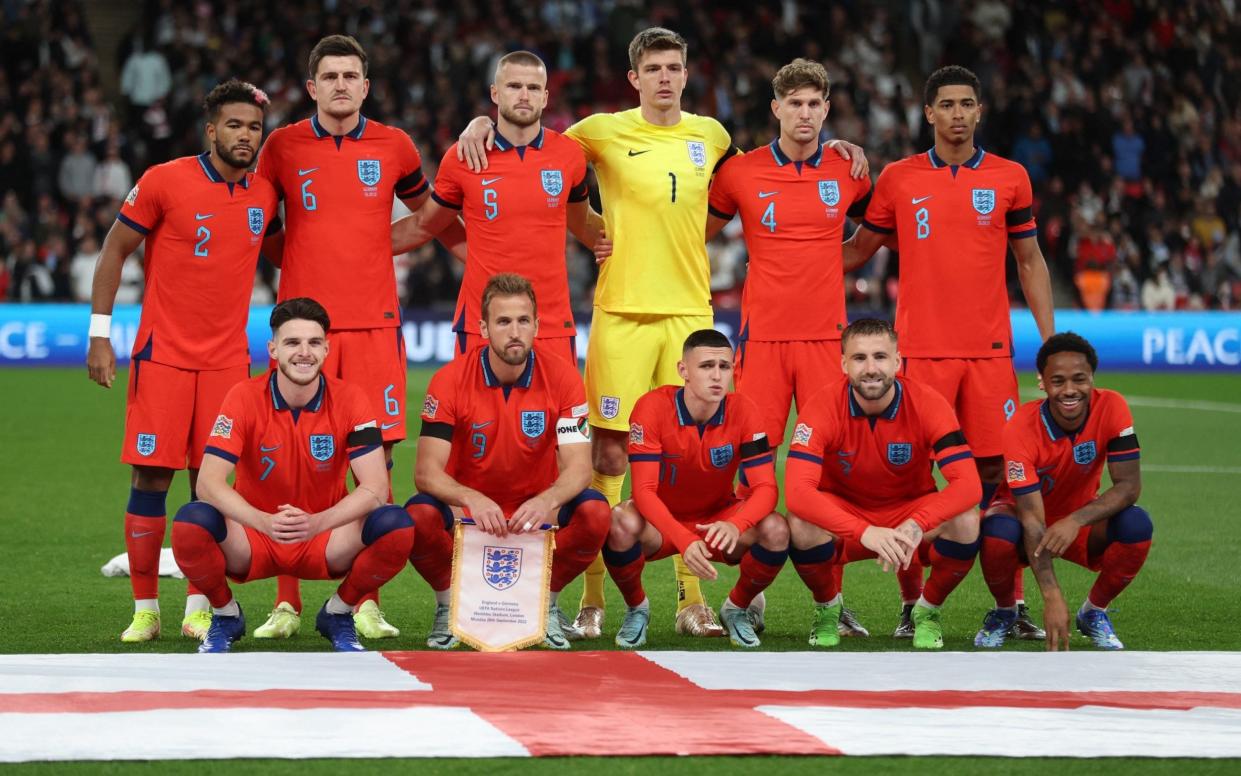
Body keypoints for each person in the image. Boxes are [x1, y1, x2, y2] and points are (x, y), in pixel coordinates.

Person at [458, 28, 866, 639]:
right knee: (609, 454)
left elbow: (769, 168)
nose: (666, 77)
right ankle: (594, 600)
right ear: (635, 78)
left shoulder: (712, 135)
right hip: (621, 312)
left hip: (689, 316)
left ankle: (689, 598)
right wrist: (477, 125)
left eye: (675, 67)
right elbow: (534, 142)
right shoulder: (599, 131)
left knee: (690, 453)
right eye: (654, 68)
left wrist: (830, 142)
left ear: (685, 74)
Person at [254, 34, 463, 639]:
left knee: (378, 461)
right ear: (312, 87)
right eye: (330, 76)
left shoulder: (394, 145)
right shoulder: (282, 146)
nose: (342, 85)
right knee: (290, 461)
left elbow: (432, 213)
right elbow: (260, 227)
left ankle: (364, 598)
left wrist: (386, 245)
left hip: (374, 325)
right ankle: (287, 601)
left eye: (352, 76)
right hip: (303, 326)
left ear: (365, 87)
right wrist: (298, 259)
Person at [844, 65, 1055, 640]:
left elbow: (1029, 261)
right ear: (928, 113)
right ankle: (913, 603)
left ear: (979, 112)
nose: (958, 114)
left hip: (988, 355)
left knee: (997, 479)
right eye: (947, 105)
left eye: (967, 104)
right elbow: (857, 251)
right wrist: (784, 257)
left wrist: (1049, 338)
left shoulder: (1010, 177)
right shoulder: (898, 178)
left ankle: (1008, 607)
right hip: (921, 353)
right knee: (913, 478)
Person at [86, 79, 280, 643]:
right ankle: (145, 609)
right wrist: (100, 336)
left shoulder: (264, 196)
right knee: (150, 477)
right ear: (211, 129)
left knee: (210, 485)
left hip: (225, 367)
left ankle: (199, 604)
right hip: (163, 359)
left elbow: (286, 251)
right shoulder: (164, 180)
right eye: (235, 125)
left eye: (254, 128)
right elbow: (113, 251)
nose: (245, 136)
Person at [706, 57, 874, 640]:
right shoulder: (739, 175)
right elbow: (688, 233)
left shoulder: (849, 171)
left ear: (827, 110)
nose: (805, 114)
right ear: (775, 109)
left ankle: (834, 601)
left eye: (814, 104)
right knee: (754, 474)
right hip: (764, 344)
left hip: (829, 343)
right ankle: (749, 595)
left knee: (829, 477)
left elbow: (870, 236)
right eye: (794, 104)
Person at [171, 298, 414, 653]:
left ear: (327, 348)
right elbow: (208, 482)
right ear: (273, 348)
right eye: (292, 343)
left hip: (325, 536)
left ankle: (339, 612)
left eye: (314, 343)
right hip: (255, 536)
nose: (304, 353)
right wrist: (263, 522)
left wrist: (318, 523)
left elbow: (376, 486)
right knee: (190, 522)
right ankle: (225, 615)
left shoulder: (351, 399)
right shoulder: (243, 396)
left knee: (398, 525)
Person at [404, 273, 610, 649]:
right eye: (503, 321)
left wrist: (547, 500)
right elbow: (425, 472)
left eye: (522, 321)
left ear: (536, 325)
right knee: (416, 517)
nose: (514, 331)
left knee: (596, 513)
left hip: (535, 513)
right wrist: (471, 499)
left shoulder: (563, 378)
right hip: (468, 514)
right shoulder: (449, 381)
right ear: (483, 328)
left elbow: (580, 467)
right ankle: (449, 607)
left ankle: (544, 604)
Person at [391, 50, 605, 366]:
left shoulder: (569, 156)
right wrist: (360, 248)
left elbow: (584, 223)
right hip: (482, 321)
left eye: (533, 88)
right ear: (495, 92)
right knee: (478, 415)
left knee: (555, 417)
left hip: (551, 321)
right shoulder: (464, 156)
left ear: (545, 97)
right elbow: (425, 224)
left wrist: (632, 245)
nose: (523, 95)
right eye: (513, 86)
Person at [784, 319, 981, 650]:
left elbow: (970, 485)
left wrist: (920, 522)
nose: (871, 368)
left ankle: (927, 611)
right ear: (843, 363)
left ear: (898, 361)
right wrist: (863, 531)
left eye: (880, 357)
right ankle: (828, 609)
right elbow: (797, 493)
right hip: (846, 517)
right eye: (859, 358)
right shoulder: (821, 406)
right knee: (800, 523)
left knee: (967, 520)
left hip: (909, 513)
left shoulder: (928, 403)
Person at [603, 329, 787, 649]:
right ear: (683, 370)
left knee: (776, 529)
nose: (717, 376)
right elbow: (644, 491)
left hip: (716, 519)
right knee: (619, 521)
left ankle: (737, 608)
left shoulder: (744, 409)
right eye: (706, 366)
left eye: (724, 367)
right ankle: (637, 609)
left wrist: (736, 524)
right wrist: (683, 539)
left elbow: (767, 488)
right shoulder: (652, 407)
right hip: (661, 523)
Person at [975, 333, 1151, 650]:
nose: (1069, 390)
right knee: (997, 533)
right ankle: (1005, 612)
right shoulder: (1020, 427)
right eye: (1058, 380)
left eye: (1079, 379)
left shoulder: (1112, 406)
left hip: (1077, 520)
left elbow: (1129, 487)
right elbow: (1030, 517)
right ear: (1042, 382)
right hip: (1022, 519)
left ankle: (1093, 612)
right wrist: (1051, 595)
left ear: (1092, 378)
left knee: (1136, 525)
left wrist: (1075, 520)